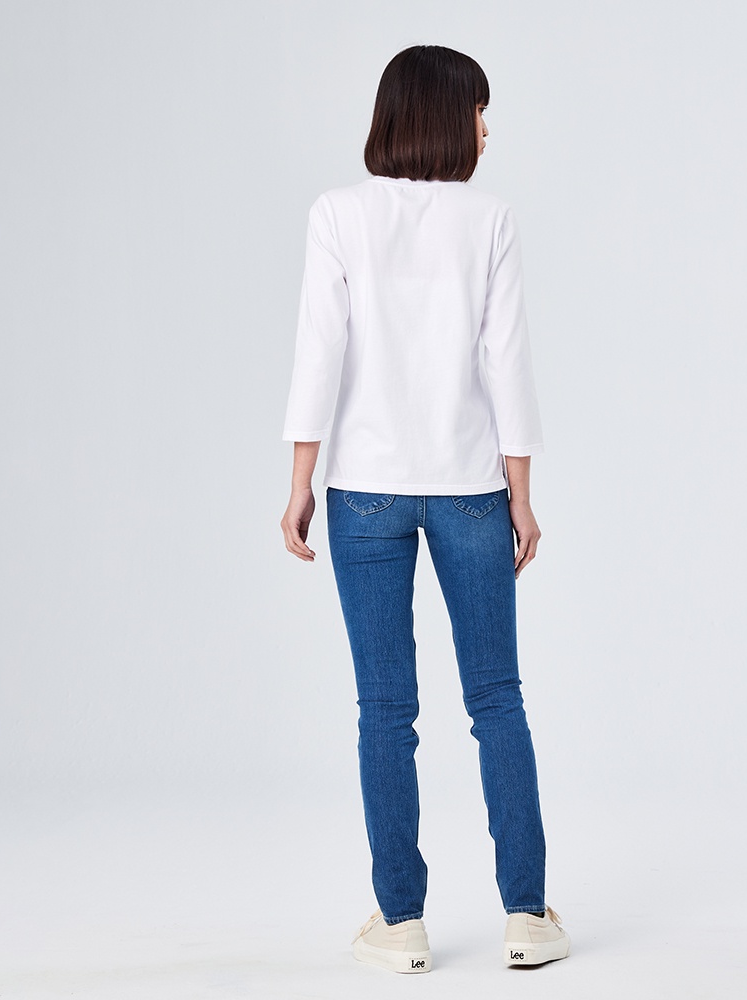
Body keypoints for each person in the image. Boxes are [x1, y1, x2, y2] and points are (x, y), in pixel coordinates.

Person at [279, 44, 570, 974]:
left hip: (362, 489)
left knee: (384, 708)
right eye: (480, 111)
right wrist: (522, 493)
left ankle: (399, 922)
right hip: (470, 488)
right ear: (446, 116)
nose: (487, 129)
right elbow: (507, 362)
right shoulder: (489, 220)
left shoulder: (338, 214)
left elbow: (318, 354)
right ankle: (527, 915)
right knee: (497, 699)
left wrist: (300, 480)